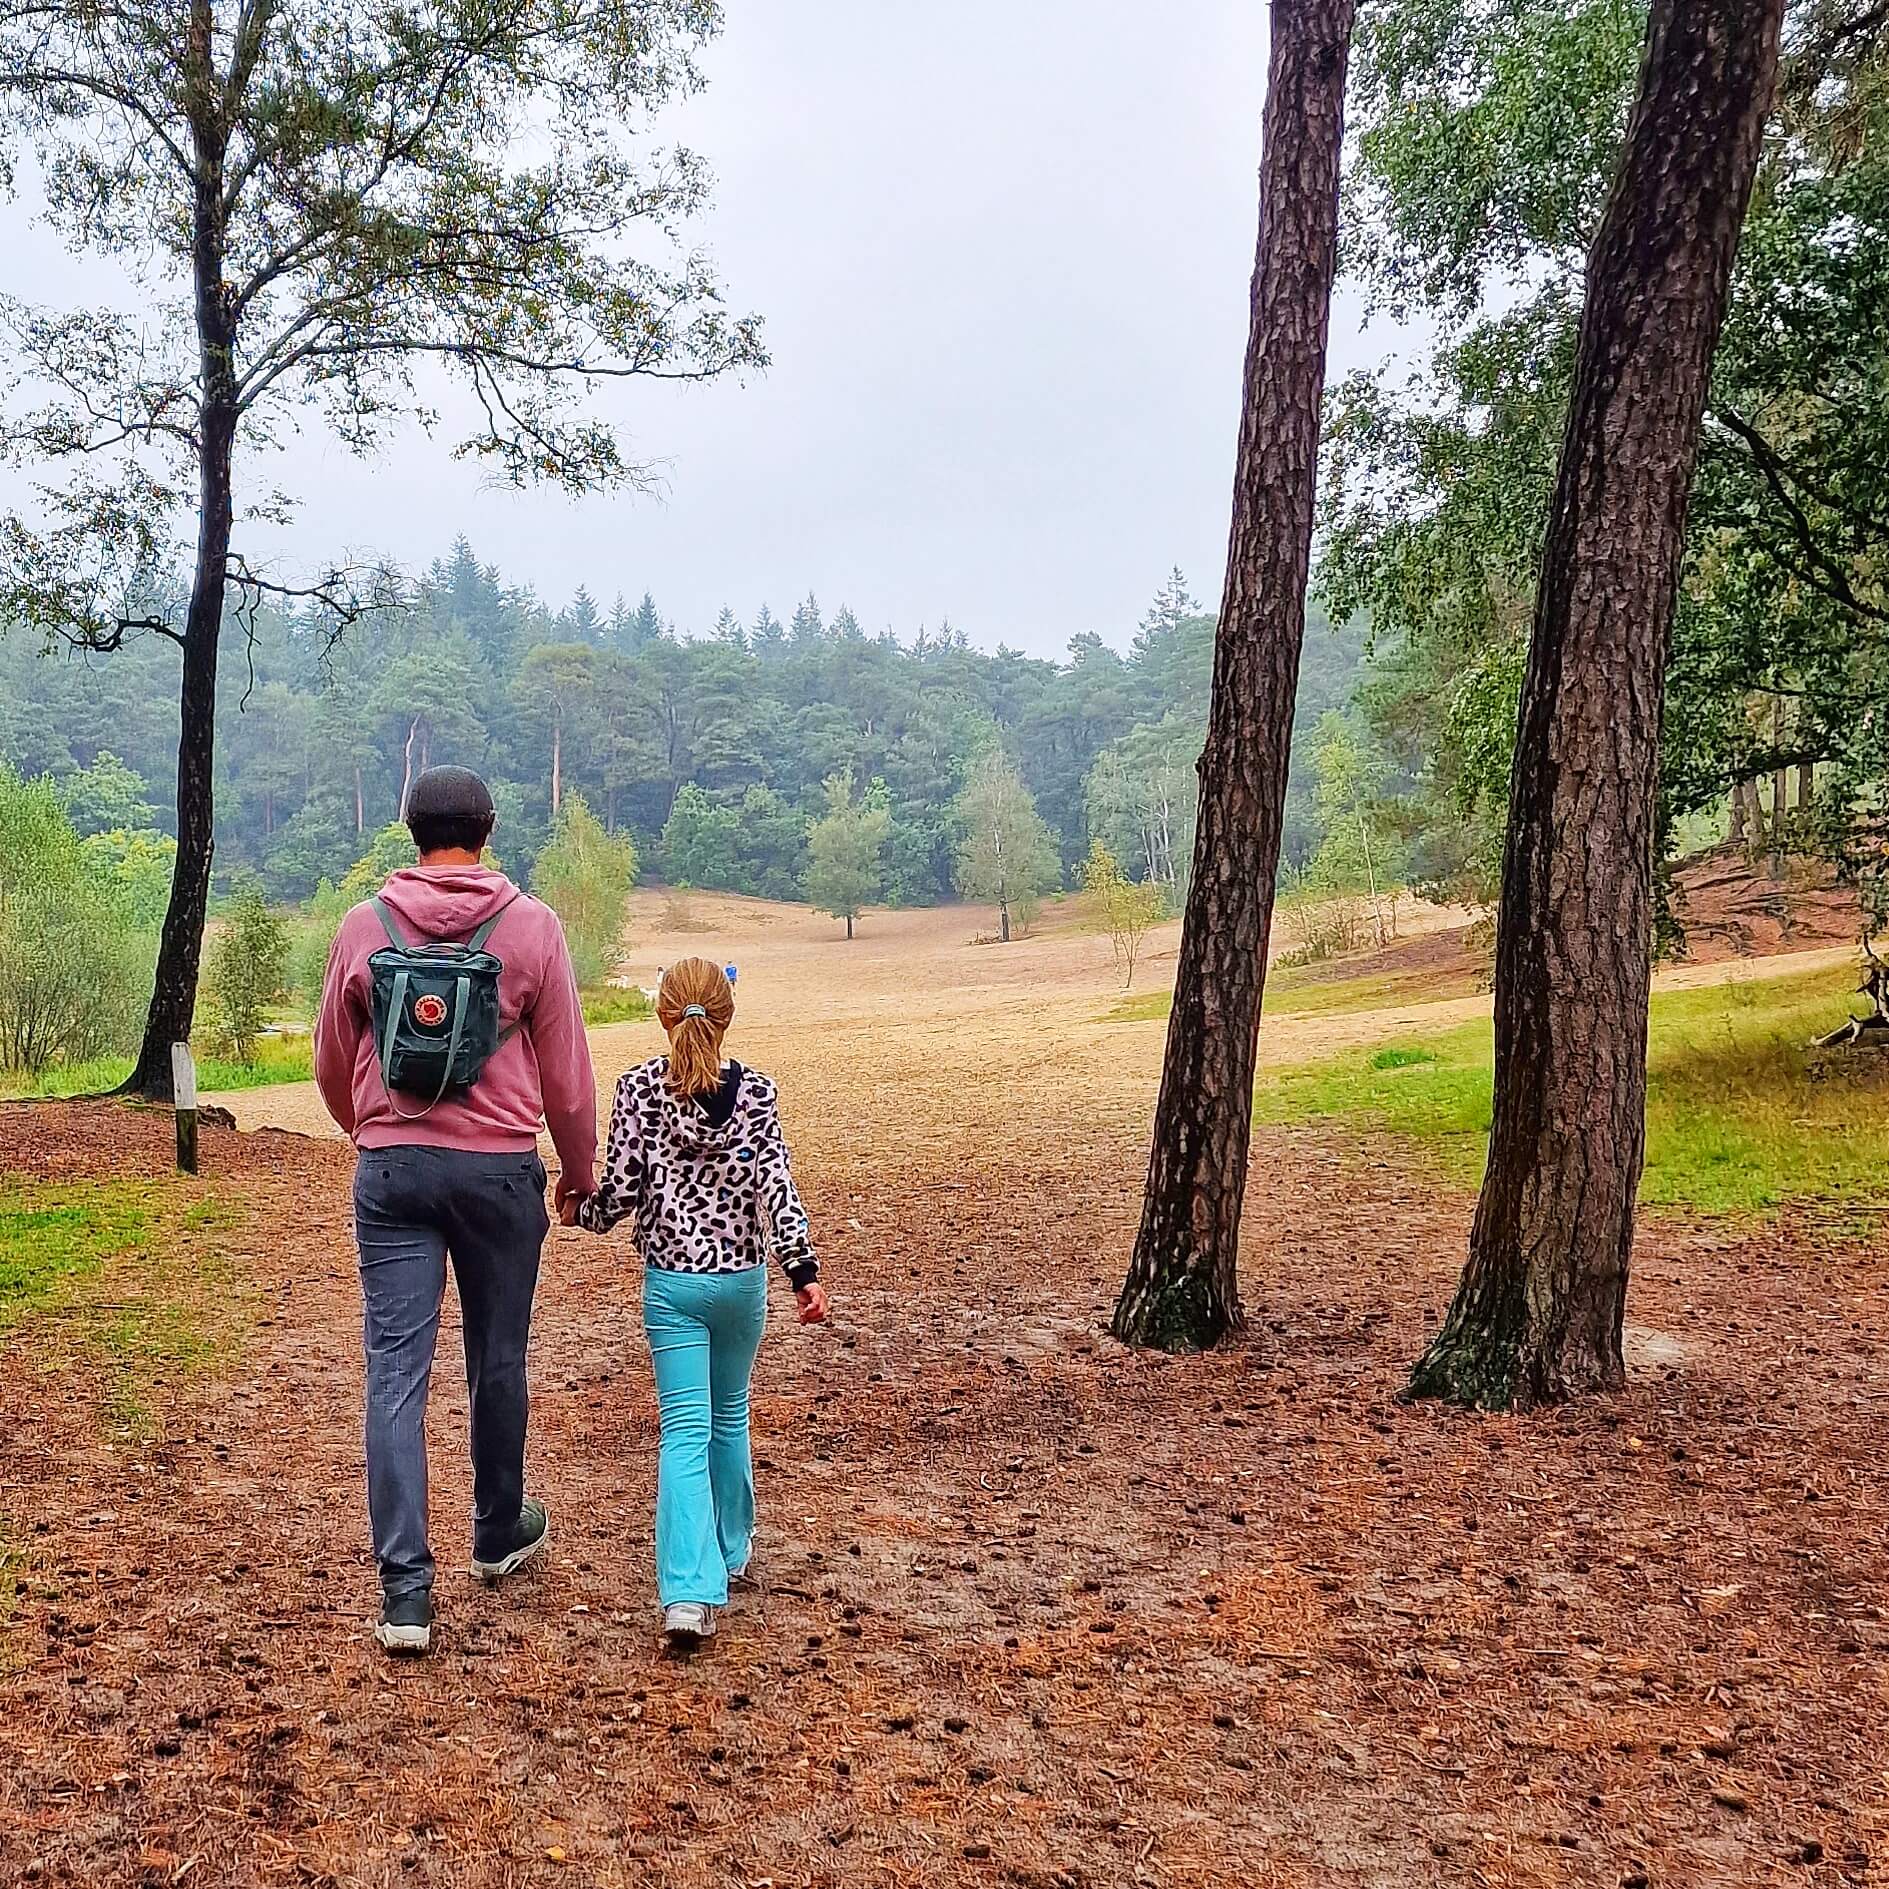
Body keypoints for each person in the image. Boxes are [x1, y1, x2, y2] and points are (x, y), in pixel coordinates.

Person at [315, 766, 598, 1656]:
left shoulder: (364, 926)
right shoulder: (532, 926)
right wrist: (579, 1169)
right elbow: (568, 1076)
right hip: (499, 1176)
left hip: (392, 1171)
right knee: (498, 1356)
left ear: (407, 828)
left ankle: (405, 1596)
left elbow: (332, 1059)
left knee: (394, 1376)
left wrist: (375, 1128)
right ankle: (495, 1530)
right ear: (488, 828)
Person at [564, 956, 827, 1651]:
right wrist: (801, 1269)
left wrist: (579, 1214)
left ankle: (687, 1590)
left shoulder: (640, 1091)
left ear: (661, 1014)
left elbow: (618, 1190)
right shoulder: (759, 1094)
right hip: (741, 1282)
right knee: (728, 1411)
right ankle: (731, 1548)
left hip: (673, 1287)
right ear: (728, 1014)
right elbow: (778, 1186)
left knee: (685, 1428)